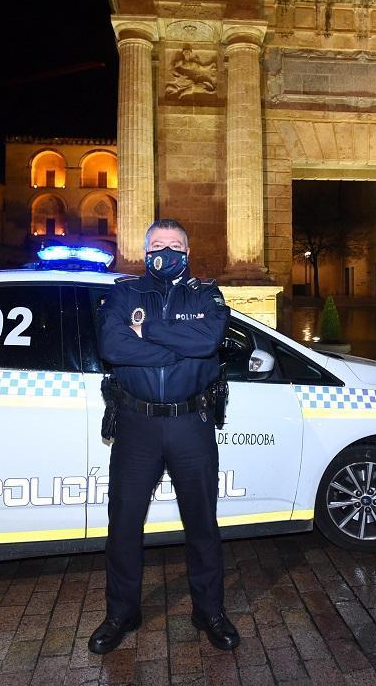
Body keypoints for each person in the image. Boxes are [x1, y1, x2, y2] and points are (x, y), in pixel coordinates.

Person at [88, 218, 239, 654]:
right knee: (124, 524)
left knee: (202, 524)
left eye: (174, 245)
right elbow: (113, 348)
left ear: (187, 253)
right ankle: (121, 612)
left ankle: (208, 610)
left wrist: (147, 330)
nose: (165, 251)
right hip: (137, 426)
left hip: (191, 424)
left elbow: (210, 338)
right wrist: (180, 344)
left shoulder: (205, 293)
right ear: (145, 250)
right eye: (157, 244)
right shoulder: (124, 293)